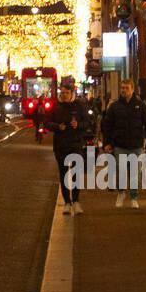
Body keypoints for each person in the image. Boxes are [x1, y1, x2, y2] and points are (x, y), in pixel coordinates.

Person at [101, 78, 146, 209]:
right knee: (121, 171)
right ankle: (121, 193)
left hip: (136, 145)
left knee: (136, 173)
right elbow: (107, 126)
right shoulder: (115, 106)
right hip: (120, 145)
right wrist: (107, 143)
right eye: (122, 88)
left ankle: (134, 197)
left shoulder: (140, 105)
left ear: (132, 89)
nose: (123, 90)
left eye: (126, 88)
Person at [51, 87, 85, 215]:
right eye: (62, 93)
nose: (64, 95)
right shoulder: (56, 107)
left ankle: (76, 201)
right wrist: (57, 126)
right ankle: (67, 203)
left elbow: (87, 122)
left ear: (72, 94)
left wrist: (79, 125)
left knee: (76, 174)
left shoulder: (79, 106)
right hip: (61, 146)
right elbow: (47, 123)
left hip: (75, 145)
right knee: (64, 174)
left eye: (67, 93)